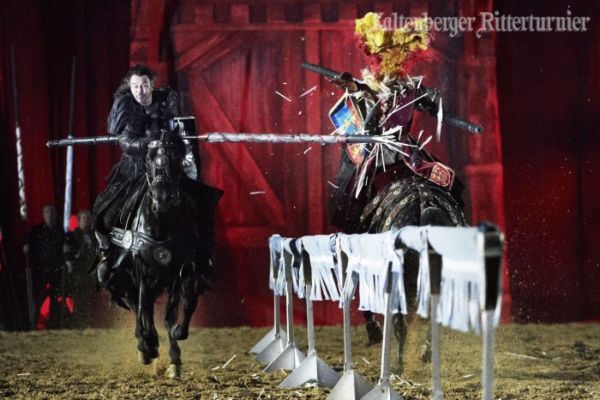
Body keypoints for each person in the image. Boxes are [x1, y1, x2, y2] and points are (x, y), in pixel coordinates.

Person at [327, 13, 466, 369]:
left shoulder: (410, 87)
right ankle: (355, 266)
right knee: (347, 199)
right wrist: (355, 92)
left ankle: (459, 239)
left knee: (450, 182)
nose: (391, 62)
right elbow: (358, 125)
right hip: (376, 156)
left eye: (396, 57)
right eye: (385, 57)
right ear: (376, 57)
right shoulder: (367, 87)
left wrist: (432, 100)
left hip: (408, 154)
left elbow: (436, 105)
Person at [92, 64, 221, 288]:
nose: (140, 91)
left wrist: (170, 143)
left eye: (143, 85)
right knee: (105, 209)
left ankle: (204, 255)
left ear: (151, 84)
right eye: (135, 86)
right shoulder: (125, 106)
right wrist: (147, 142)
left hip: (166, 167)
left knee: (201, 200)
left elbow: (179, 132)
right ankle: (106, 256)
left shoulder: (166, 102)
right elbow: (126, 142)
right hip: (135, 168)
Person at [23, 204, 67, 329]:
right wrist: (26, 247)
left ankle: (53, 324)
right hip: (40, 270)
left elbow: (68, 245)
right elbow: (28, 244)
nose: (50, 215)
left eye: (52, 212)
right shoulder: (36, 230)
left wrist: (67, 248)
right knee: (38, 298)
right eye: (47, 212)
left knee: (55, 298)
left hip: (56, 269)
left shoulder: (60, 230)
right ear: (43, 215)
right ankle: (34, 324)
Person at [65, 209, 97, 328]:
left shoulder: (94, 235)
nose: (87, 221)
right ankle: (79, 322)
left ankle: (91, 321)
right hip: (78, 272)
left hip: (91, 271)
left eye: (88, 218)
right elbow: (68, 255)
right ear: (79, 221)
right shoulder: (72, 236)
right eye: (84, 218)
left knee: (91, 298)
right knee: (79, 298)